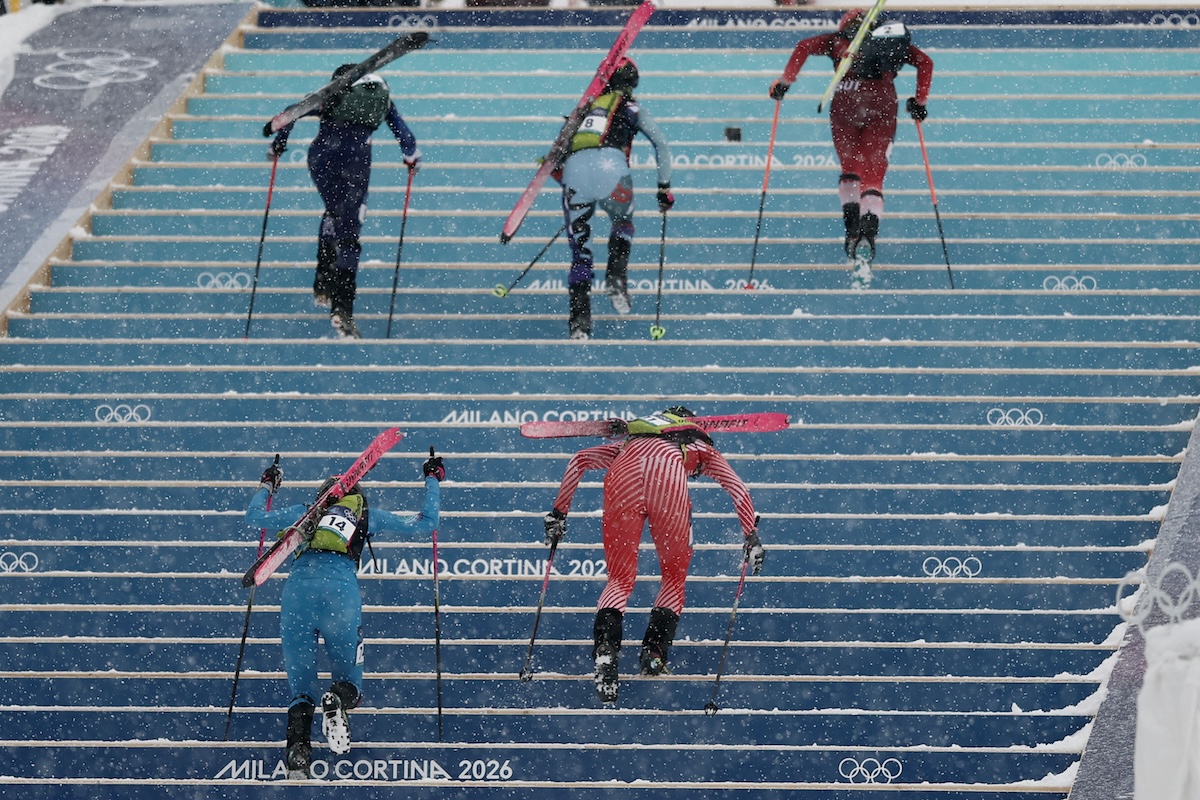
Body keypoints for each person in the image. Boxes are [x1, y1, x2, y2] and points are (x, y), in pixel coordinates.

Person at [543, 406, 765, 702]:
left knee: (620, 578)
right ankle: (654, 652)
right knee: (674, 577)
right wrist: (750, 535)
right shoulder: (694, 443)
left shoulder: (630, 439)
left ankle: (606, 649)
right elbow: (736, 487)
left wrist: (559, 513)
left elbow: (580, 459)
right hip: (668, 481)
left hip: (623, 477)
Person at [246, 450, 444, 778]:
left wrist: (268, 485)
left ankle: (298, 753)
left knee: (301, 687)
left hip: (297, 595)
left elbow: (253, 518)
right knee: (351, 680)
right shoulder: (364, 515)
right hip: (340, 594)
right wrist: (432, 479)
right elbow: (426, 522)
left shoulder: (302, 513)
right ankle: (338, 698)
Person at [768, 10, 933, 288]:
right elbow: (925, 63)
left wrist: (785, 82)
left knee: (850, 169)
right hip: (882, 100)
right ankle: (869, 232)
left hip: (845, 99)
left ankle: (852, 230)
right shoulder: (889, 43)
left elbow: (803, 46)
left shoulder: (836, 40)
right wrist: (920, 101)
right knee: (873, 175)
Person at [269, 65, 422, 338]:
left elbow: (290, 113)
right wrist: (412, 159)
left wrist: (278, 144)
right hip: (355, 163)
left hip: (321, 159)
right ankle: (342, 308)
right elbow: (406, 137)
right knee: (350, 232)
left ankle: (322, 280)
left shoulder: (332, 97)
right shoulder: (381, 100)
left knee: (333, 212)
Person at [557, 58, 673, 340]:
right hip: (613, 168)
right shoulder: (633, 107)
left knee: (580, 253)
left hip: (575, 172)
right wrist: (663, 188)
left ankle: (579, 322)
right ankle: (616, 276)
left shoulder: (583, 109)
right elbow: (661, 144)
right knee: (622, 221)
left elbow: (556, 156)